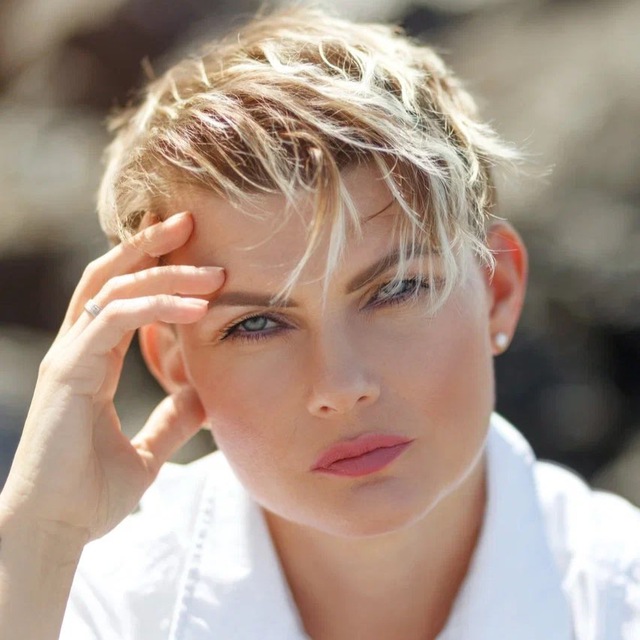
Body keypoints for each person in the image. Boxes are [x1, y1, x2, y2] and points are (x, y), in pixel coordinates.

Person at [0, 6, 638, 640]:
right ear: (174, 363)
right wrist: (41, 539)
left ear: (497, 290)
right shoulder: (84, 604)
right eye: (257, 324)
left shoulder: (619, 596)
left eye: (395, 289)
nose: (341, 385)